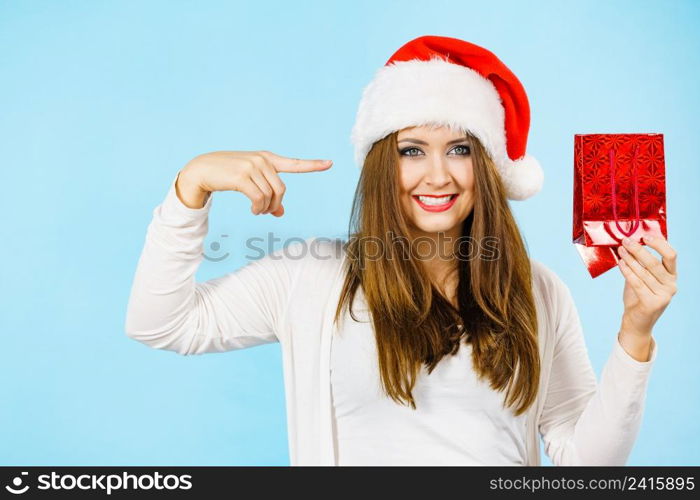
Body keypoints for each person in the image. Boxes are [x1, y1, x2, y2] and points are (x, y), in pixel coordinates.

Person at [125, 35, 678, 466]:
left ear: (485, 167)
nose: (437, 175)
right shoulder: (311, 276)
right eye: (413, 149)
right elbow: (161, 324)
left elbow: (588, 461)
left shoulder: (536, 290)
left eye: (459, 148)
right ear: (383, 164)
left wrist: (635, 333)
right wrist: (190, 187)